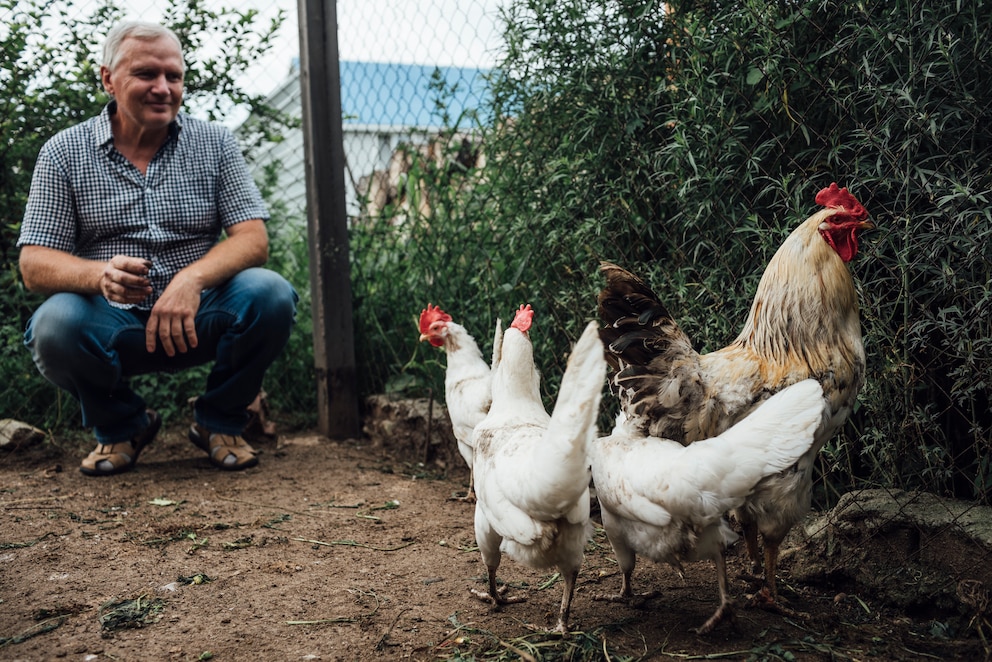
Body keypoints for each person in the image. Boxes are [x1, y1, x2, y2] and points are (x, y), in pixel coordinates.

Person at [17, 21, 298, 476]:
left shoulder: (216, 143)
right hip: (112, 325)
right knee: (55, 324)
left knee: (270, 294)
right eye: (147, 74)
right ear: (108, 78)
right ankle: (123, 426)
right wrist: (98, 276)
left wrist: (192, 279)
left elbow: (253, 239)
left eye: (174, 76)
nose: (163, 88)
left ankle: (220, 422)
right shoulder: (63, 152)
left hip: (200, 316)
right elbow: (33, 263)